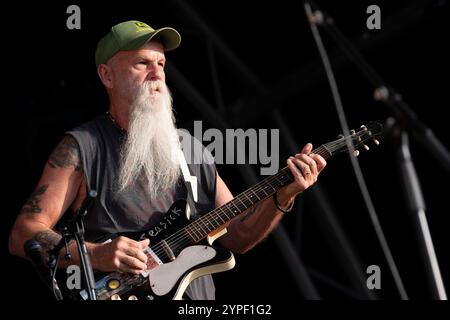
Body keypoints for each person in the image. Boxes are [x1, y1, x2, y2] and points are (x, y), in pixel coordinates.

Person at [8, 20, 327, 300]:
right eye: (142, 63)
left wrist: (283, 197)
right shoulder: (82, 147)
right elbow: (24, 232)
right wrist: (96, 254)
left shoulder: (190, 148)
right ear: (107, 75)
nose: (157, 73)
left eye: (161, 63)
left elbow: (238, 236)